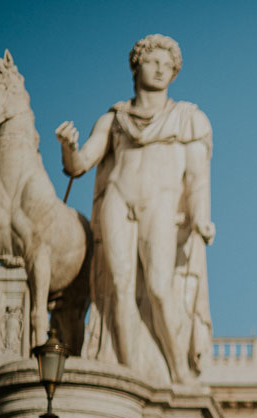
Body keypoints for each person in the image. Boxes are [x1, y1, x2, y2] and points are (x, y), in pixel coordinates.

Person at [56, 35, 215, 383]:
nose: (161, 69)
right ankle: (129, 374)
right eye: (153, 61)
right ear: (136, 65)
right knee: (118, 287)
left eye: (168, 65)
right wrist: (69, 148)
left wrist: (201, 216)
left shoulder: (188, 118)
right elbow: (80, 164)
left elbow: (197, 177)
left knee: (159, 287)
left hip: (161, 204)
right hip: (118, 199)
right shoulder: (115, 119)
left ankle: (179, 372)